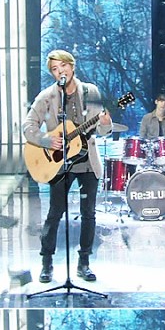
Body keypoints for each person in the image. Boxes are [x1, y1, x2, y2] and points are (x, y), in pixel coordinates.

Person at [23, 50, 112, 283]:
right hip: (59, 163)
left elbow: (100, 129)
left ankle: (84, 262)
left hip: (87, 160)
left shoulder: (90, 92)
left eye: (63, 66)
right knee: (55, 213)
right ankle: (47, 263)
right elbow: (28, 126)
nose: (60, 71)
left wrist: (105, 123)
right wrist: (45, 141)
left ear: (72, 66)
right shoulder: (47, 96)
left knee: (88, 213)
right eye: (54, 69)